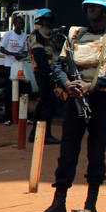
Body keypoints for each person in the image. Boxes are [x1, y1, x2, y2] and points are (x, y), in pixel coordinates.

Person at [35, 0, 106, 212]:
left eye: (95, 6)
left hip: (101, 100)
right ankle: (59, 204)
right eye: (88, 6)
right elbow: (59, 65)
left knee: (96, 153)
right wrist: (68, 84)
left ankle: (91, 204)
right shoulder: (75, 35)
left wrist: (92, 86)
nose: (90, 9)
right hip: (74, 99)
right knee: (67, 152)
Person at [28, 9, 62, 145]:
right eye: (45, 20)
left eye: (49, 20)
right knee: (47, 104)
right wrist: (48, 73)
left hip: (52, 72)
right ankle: (44, 134)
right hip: (44, 73)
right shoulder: (36, 36)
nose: (48, 23)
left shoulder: (52, 35)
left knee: (45, 103)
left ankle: (36, 134)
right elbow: (39, 55)